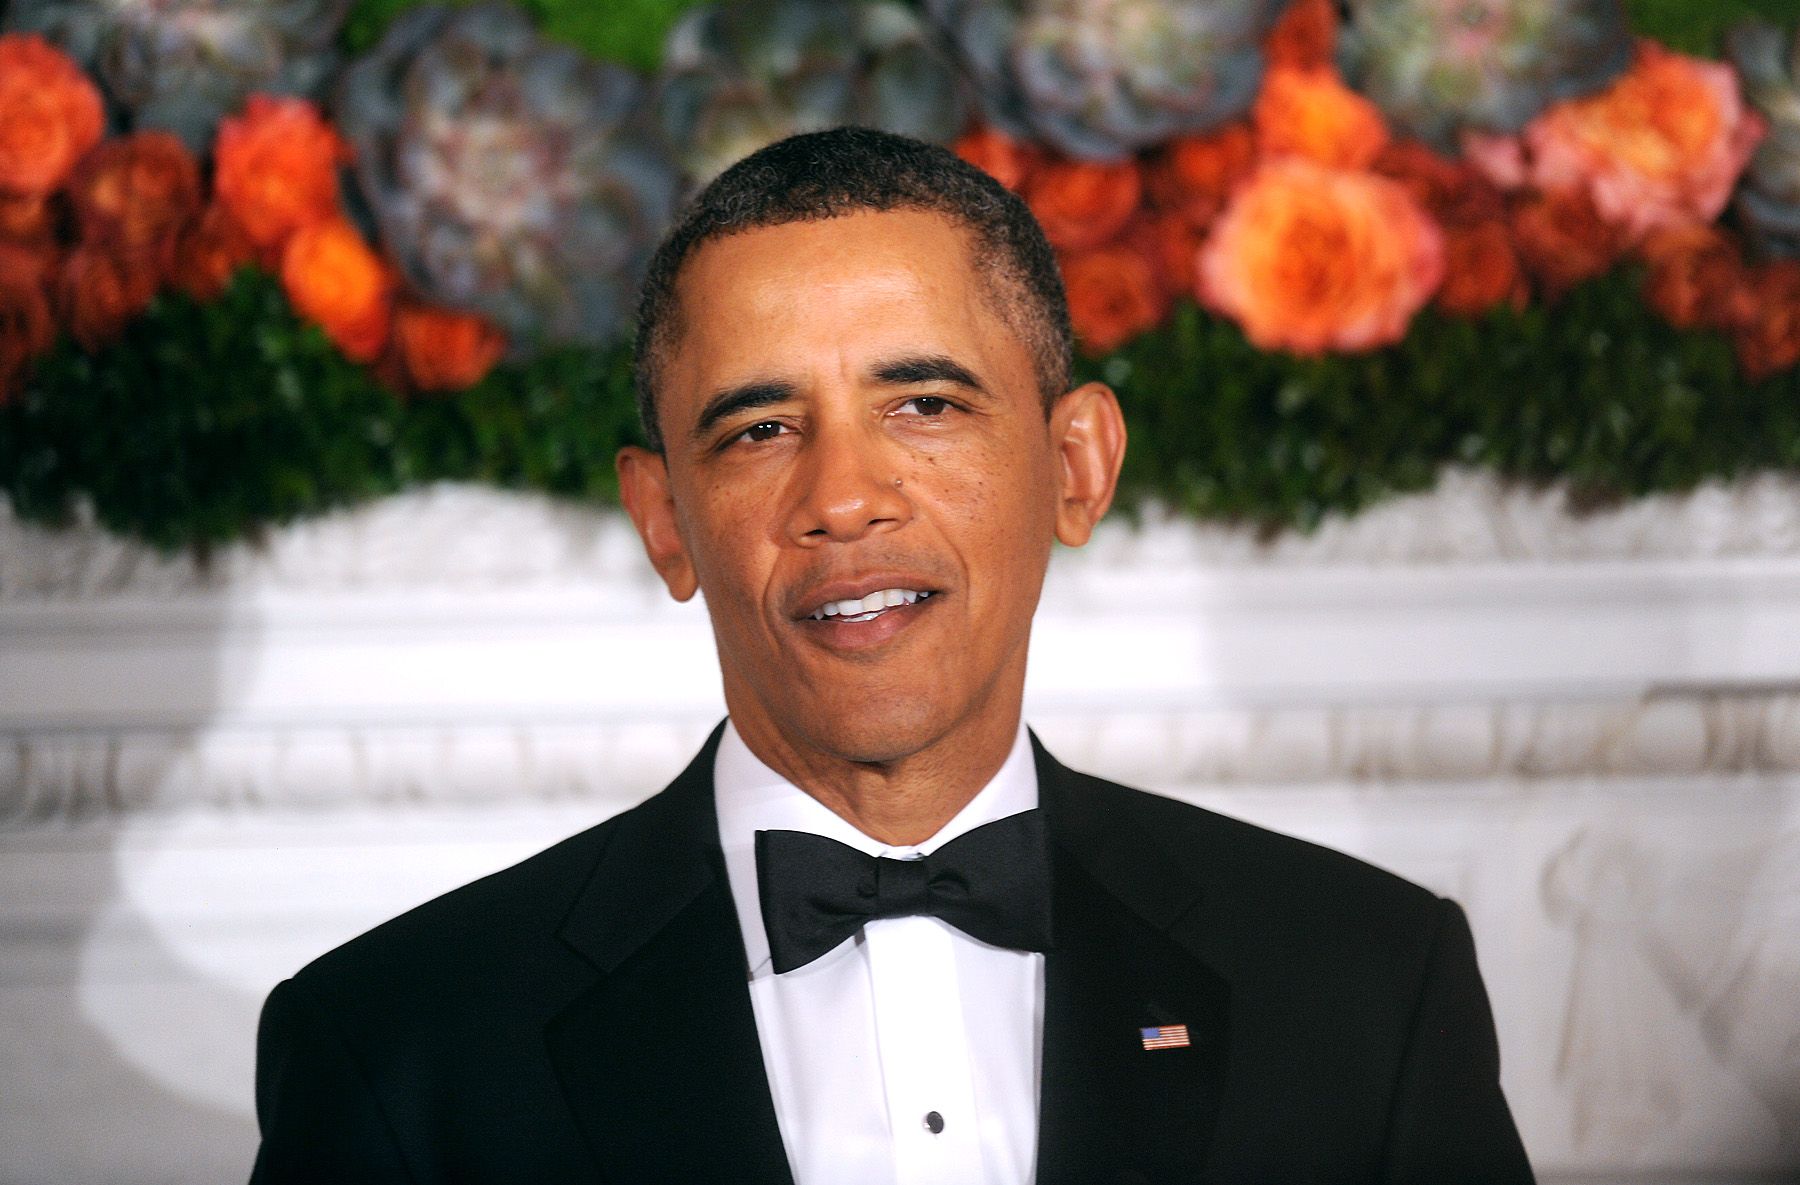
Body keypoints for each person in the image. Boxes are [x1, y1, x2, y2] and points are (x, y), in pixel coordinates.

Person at [249, 127, 1534, 1184]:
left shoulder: (1368, 983)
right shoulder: (397, 1047)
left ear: (1076, 468)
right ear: (664, 520)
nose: (844, 498)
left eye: (925, 405)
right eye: (759, 430)